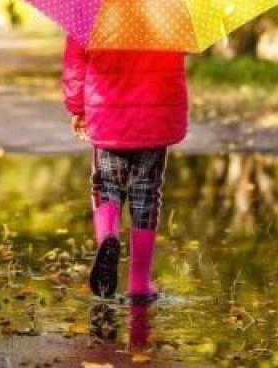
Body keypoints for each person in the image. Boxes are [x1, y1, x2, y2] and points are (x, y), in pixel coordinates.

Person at [62, 36, 188, 304]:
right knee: (146, 196)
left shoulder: (92, 3)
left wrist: (76, 107)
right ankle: (140, 282)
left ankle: (108, 235)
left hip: (108, 114)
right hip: (156, 115)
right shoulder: (170, 4)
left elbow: (75, 59)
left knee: (107, 185)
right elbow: (183, 50)